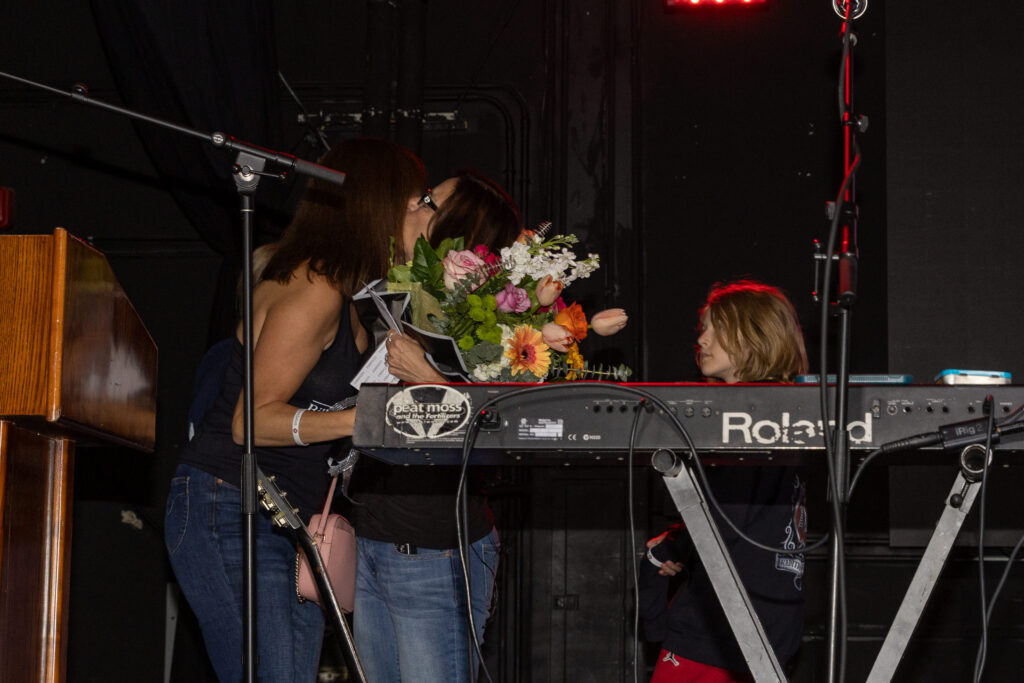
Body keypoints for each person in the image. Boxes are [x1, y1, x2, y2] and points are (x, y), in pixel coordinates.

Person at [164, 138, 433, 682]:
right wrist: (365, 420)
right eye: (419, 200)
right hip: (231, 506)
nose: (429, 213)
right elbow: (250, 421)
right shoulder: (314, 287)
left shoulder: (349, 298)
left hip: (285, 518)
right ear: (380, 205)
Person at [349, 169, 523, 682]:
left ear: (458, 232)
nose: (409, 202)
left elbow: (501, 427)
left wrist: (426, 377)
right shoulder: (391, 293)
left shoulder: (489, 319)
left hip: (432, 552)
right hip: (370, 540)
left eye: (427, 200)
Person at [640, 280, 809, 683]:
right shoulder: (787, 414)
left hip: (721, 627)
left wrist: (666, 548)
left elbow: (722, 520)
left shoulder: (740, 420)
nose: (703, 339)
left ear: (755, 337)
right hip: (772, 619)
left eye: (717, 330)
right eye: (704, 329)